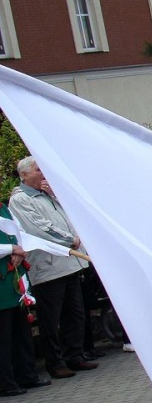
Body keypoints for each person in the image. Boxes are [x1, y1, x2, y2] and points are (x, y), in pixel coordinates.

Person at [9, 157, 98, 379]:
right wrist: (70, 240)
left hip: (69, 263)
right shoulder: (20, 200)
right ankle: (55, 362)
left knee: (75, 313)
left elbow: (70, 215)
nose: (43, 173)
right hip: (48, 267)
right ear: (24, 175)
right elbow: (39, 228)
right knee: (51, 317)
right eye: (38, 169)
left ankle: (75, 354)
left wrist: (55, 195)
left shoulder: (48, 194)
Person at [0, 202, 51, 396]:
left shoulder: (4, 208)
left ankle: (27, 374)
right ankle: (5, 382)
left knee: (21, 331)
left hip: (14, 279)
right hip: (2, 283)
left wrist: (20, 251)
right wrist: (11, 248)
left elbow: (20, 232)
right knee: (3, 336)